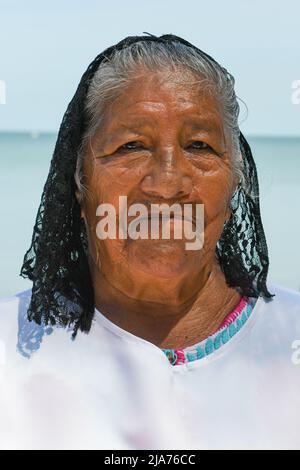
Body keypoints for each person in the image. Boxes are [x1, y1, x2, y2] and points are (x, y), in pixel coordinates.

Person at [0, 33, 299, 450]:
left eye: (200, 145)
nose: (166, 184)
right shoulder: (8, 350)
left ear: (235, 182)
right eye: (131, 146)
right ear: (79, 183)